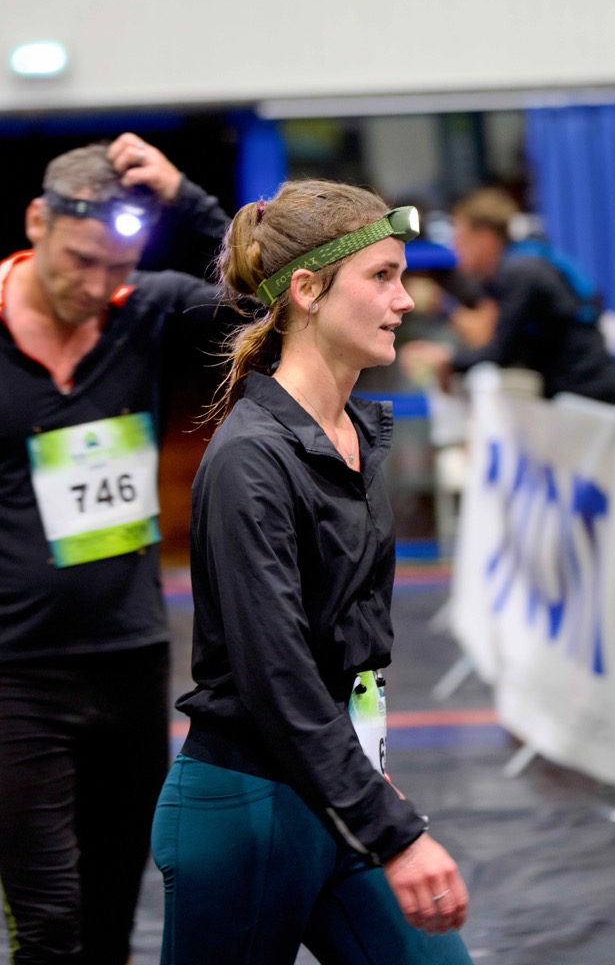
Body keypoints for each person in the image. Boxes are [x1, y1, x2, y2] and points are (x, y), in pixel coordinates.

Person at [0, 133, 230, 964]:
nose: (98, 286)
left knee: (110, 923)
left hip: (129, 654)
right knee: (47, 926)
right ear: (37, 222)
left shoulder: (146, 308)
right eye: (81, 261)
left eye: (119, 266)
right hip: (12, 665)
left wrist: (189, 202)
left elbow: (280, 308)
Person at [151, 180, 473, 964]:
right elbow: (277, 676)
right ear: (306, 291)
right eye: (381, 277)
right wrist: (394, 834)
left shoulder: (352, 434)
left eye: (401, 277)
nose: (404, 300)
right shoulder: (251, 460)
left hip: (336, 789)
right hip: (249, 809)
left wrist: (366, 791)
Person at [404, 187, 615, 405]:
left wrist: (448, 360)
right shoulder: (507, 272)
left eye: (460, 238)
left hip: (591, 394)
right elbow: (486, 336)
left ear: (484, 238)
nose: (455, 248)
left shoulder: (518, 273)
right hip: (575, 392)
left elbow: (500, 351)